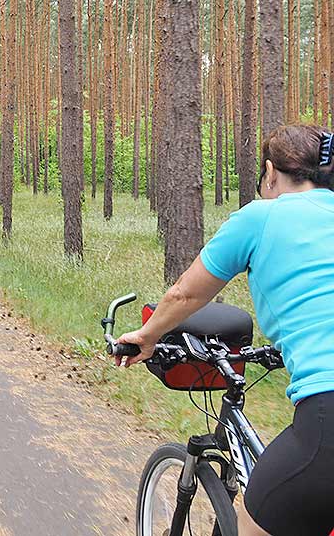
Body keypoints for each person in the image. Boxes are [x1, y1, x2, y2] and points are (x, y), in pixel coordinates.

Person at [116, 125, 334, 536]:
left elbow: (184, 295)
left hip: (328, 417)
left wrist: (145, 337)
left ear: (270, 174)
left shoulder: (261, 215)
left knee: (253, 522)